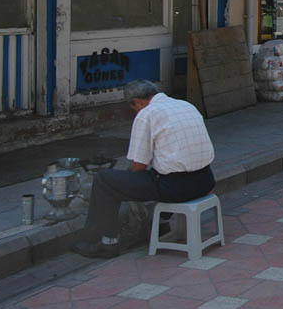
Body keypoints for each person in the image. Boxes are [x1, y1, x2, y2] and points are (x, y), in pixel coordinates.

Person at [72, 80, 215, 258]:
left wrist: (123, 183)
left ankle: (106, 243)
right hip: (206, 180)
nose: (135, 112)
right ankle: (162, 225)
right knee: (162, 170)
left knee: (104, 180)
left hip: (178, 188)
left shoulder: (147, 114)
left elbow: (138, 166)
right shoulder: (185, 105)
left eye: (133, 108)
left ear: (137, 102)